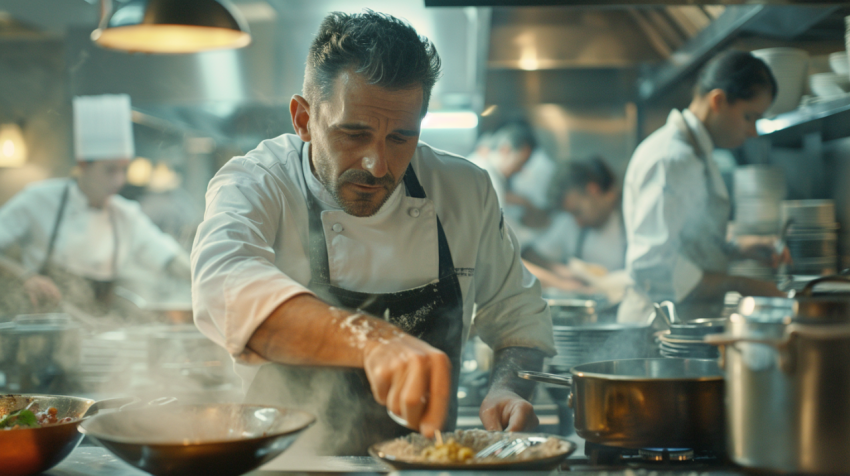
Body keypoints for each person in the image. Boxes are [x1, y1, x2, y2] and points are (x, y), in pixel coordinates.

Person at [191, 11, 555, 456]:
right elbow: (223, 284)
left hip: (428, 463)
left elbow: (518, 318)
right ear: (303, 119)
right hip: (288, 464)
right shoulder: (257, 182)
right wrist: (373, 340)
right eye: (354, 133)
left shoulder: (464, 190)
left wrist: (508, 388)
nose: (377, 165)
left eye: (401, 138)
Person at [618, 50, 787, 323]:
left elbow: (687, 239)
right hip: (658, 329)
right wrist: (741, 284)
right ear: (718, 101)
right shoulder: (671, 159)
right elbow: (653, 265)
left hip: (683, 323)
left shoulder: (698, 155)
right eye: (749, 117)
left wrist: (737, 247)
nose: (753, 132)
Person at [0, 94, 190, 317]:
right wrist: (26, 277)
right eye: (110, 170)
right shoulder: (38, 199)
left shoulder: (124, 213)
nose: (119, 180)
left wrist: (211, 277)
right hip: (43, 330)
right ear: (83, 165)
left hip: (98, 332)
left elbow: (168, 257)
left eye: (123, 169)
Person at [523, 156, 626, 293]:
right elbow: (530, 255)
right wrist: (559, 270)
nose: (578, 222)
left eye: (578, 212)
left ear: (593, 190)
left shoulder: (631, 218)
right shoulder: (568, 224)